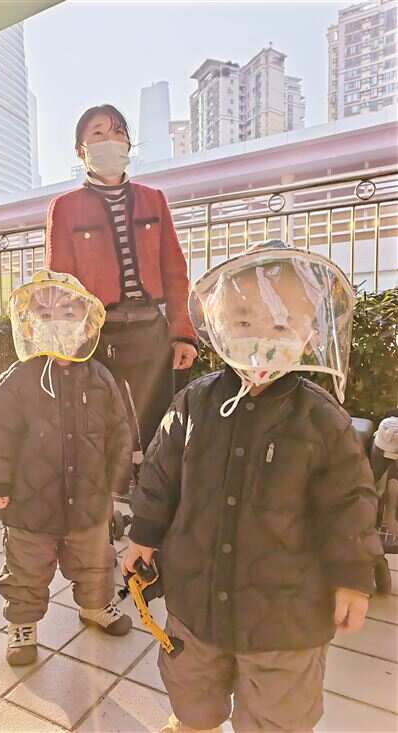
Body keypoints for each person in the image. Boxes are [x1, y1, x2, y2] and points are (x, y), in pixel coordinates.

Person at [122, 241, 383, 733]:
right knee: (192, 683)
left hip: (285, 613)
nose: (261, 337)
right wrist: (143, 534)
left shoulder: (321, 418)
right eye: (243, 321)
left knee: (279, 706)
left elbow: (349, 502)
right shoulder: (194, 402)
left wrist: (352, 576)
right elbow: (159, 474)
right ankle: (194, 722)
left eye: (281, 325)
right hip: (197, 595)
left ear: (309, 334)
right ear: (219, 324)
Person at [0, 270, 132, 666]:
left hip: (89, 502)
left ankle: (95, 606)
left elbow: (119, 432)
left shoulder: (100, 378)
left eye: (67, 312)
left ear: (86, 323)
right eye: (44, 315)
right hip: (29, 503)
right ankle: (22, 624)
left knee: (96, 562)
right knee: (25, 569)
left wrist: (118, 481)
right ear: (30, 324)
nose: (57, 322)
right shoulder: (18, 379)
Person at [46, 103, 197, 462]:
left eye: (118, 133)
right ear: (81, 150)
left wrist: (183, 335)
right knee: (104, 433)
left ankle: (155, 494)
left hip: (151, 333)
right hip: (98, 338)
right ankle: (111, 496)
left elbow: (176, 273)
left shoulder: (153, 200)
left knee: (162, 432)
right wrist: (64, 345)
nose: (110, 140)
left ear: (128, 145)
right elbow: (59, 285)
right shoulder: (65, 207)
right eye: (98, 133)